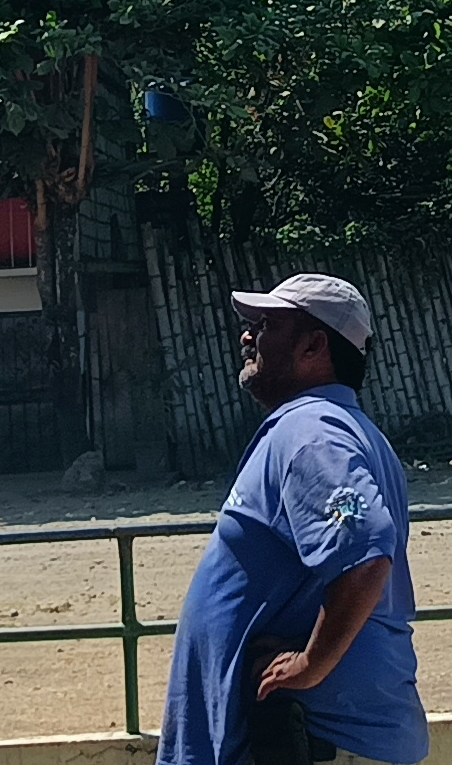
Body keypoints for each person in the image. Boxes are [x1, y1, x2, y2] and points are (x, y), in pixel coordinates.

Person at [162, 274, 428, 765]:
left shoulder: (312, 433)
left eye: (267, 325)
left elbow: (366, 552)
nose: (248, 336)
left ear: (313, 346)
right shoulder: (332, 427)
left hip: (312, 740)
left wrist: (309, 665)